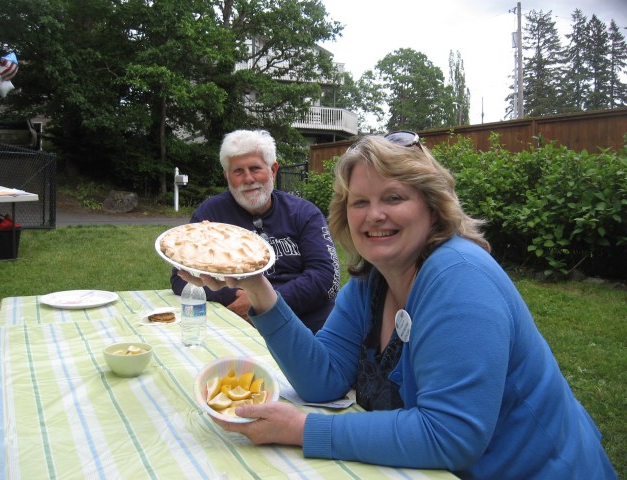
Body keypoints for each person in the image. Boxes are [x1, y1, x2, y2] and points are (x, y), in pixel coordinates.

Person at [199, 132, 617, 479]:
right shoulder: (372, 280)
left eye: (394, 197)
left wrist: (305, 429)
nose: (374, 214)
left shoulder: (459, 276)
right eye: (359, 202)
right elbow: (321, 379)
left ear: (432, 208)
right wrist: (257, 286)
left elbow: (449, 435)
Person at [171, 129, 339, 334]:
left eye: (255, 168)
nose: (248, 178)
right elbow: (181, 277)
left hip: (305, 326)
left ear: (273, 170)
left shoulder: (304, 213)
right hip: (237, 328)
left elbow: (326, 278)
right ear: (226, 176)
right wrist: (234, 296)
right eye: (238, 171)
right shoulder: (211, 213)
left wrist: (262, 299)